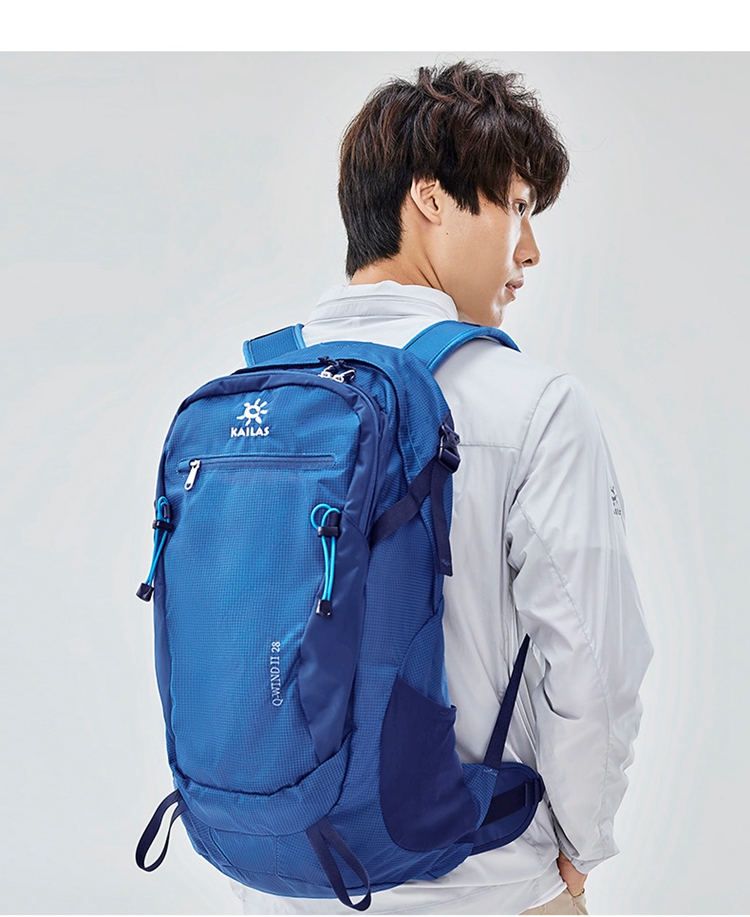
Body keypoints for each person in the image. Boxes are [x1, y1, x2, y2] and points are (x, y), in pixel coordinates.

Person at [233, 61, 653, 916]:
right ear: (430, 197)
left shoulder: (256, 397)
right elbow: (596, 670)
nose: (529, 250)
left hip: (285, 876)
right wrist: (579, 848)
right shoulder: (534, 403)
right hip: (487, 878)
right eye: (517, 206)